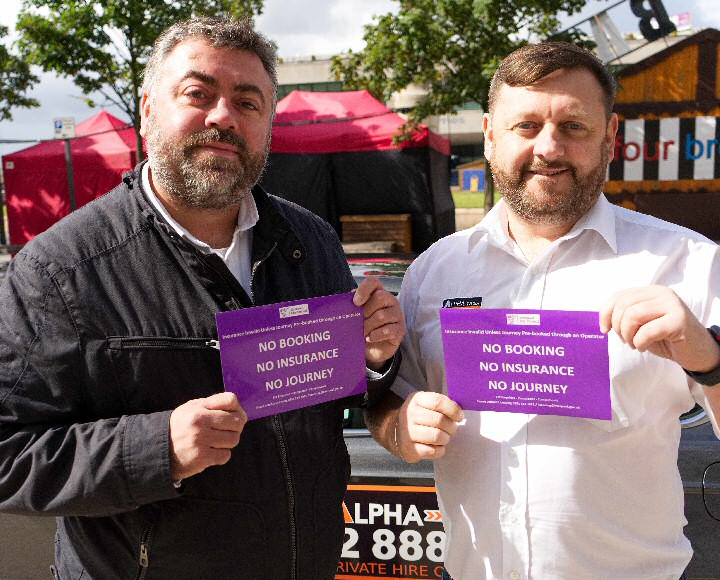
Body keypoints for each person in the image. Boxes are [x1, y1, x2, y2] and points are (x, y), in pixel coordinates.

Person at [0, 17, 405, 579]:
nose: (222, 117)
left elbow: (334, 398)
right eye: (198, 94)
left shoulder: (309, 241)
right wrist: (155, 448)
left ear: (268, 125)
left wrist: (374, 359)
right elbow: (9, 456)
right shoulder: (57, 271)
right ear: (147, 109)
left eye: (248, 101)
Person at [366, 42, 720, 579]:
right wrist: (400, 429)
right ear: (489, 134)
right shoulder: (434, 271)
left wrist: (709, 360)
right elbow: (389, 406)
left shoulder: (688, 262)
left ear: (610, 138)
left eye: (573, 126)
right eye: (526, 125)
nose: (548, 147)